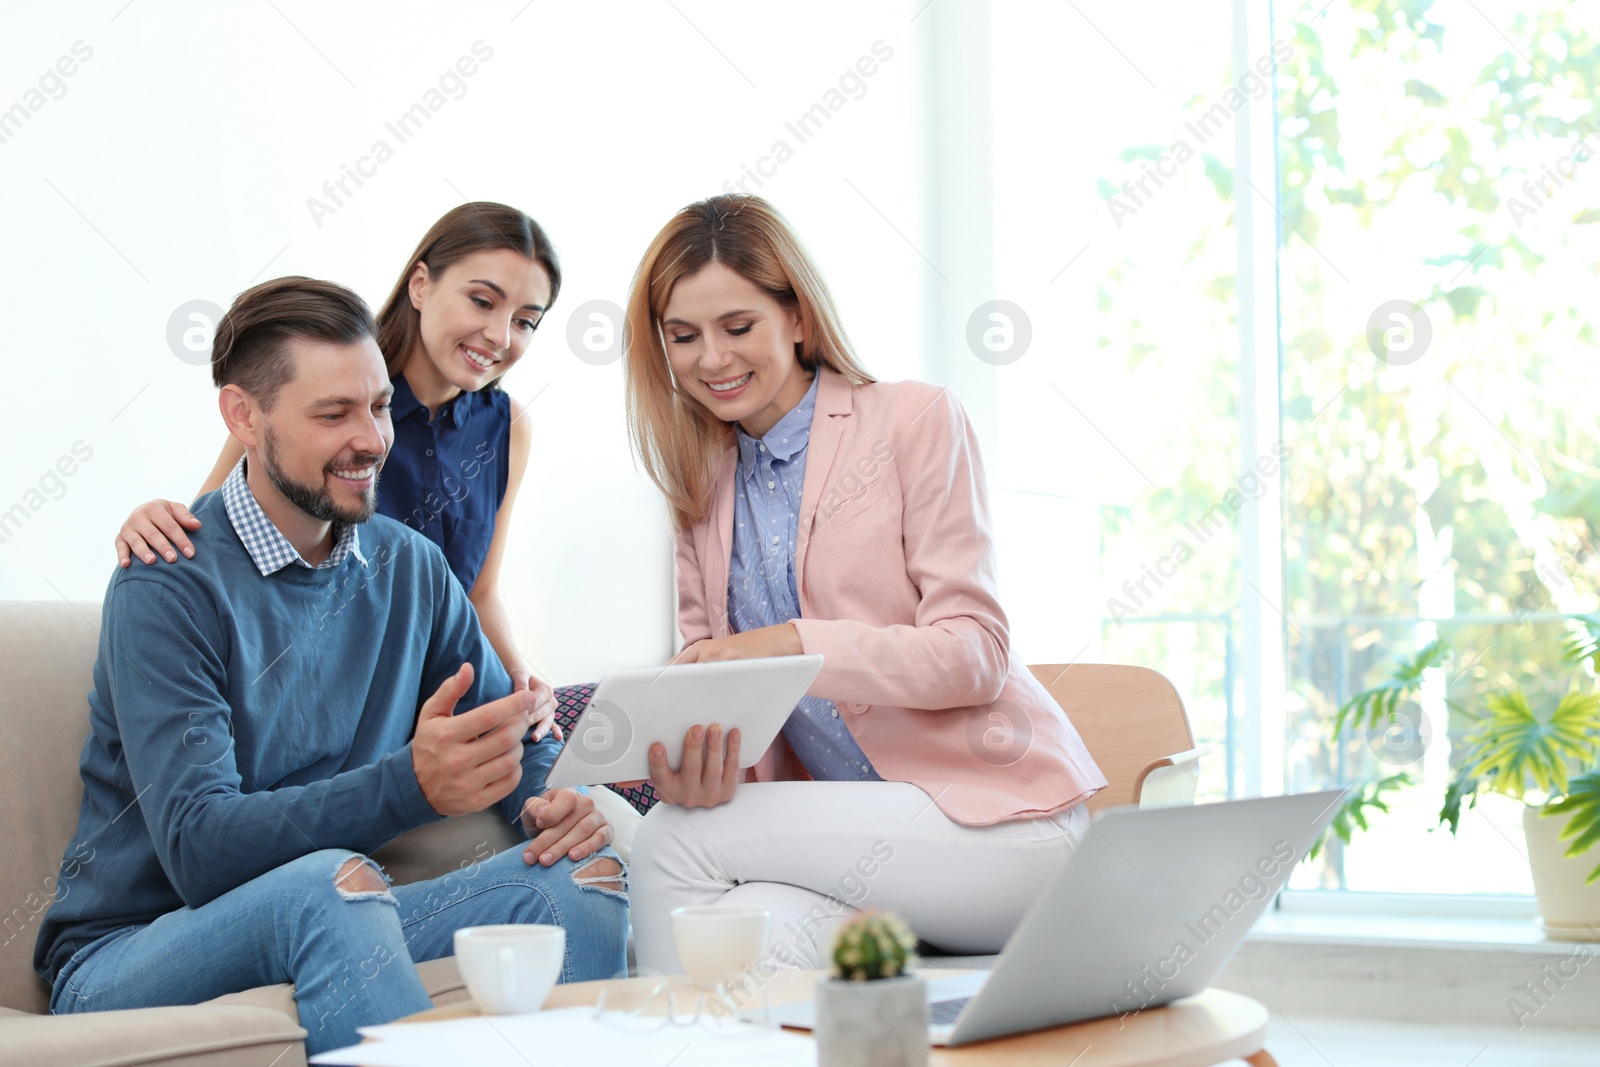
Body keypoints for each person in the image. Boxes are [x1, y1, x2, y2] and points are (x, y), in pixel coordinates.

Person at [35, 277, 627, 1055]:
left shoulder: (409, 567)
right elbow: (200, 850)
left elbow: (512, 733)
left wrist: (553, 800)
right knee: (329, 883)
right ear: (244, 415)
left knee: (583, 877)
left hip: (338, 908)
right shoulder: (168, 582)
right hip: (132, 952)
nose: (374, 438)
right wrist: (410, 786)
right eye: (333, 413)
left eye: (379, 406)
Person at [621, 194, 1108, 972]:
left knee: (672, 841)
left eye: (738, 327)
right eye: (684, 336)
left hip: (999, 827)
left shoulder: (914, 421)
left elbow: (974, 654)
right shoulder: (698, 487)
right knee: (734, 942)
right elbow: (726, 696)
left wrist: (792, 645)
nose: (712, 359)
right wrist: (693, 757)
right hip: (865, 853)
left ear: (799, 319)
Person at [107, 201, 657, 813]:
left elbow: (478, 593)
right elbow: (225, 527)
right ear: (421, 284)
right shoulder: (318, 390)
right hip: (350, 709)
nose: (499, 337)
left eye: (526, 320)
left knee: (633, 742)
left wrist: (521, 680)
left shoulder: (507, 430)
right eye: (483, 301)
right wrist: (148, 518)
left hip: (445, 679)